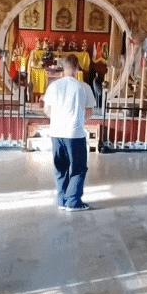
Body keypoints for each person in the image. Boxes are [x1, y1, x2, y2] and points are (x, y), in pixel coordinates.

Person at [42, 54, 96, 211]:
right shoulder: (84, 87)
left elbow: (47, 109)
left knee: (60, 167)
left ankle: (62, 200)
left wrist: (58, 120)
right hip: (74, 133)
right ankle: (73, 202)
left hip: (56, 132)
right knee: (78, 168)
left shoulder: (53, 86)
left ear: (63, 68)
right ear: (77, 67)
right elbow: (90, 111)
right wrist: (78, 120)